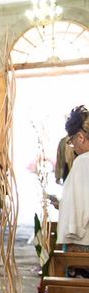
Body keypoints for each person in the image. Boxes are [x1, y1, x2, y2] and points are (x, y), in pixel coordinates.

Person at [57, 105, 89, 253]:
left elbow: (78, 210)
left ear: (81, 137)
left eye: (72, 141)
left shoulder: (83, 161)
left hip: (83, 243)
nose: (73, 147)